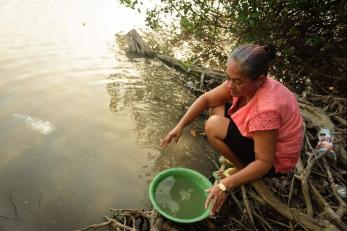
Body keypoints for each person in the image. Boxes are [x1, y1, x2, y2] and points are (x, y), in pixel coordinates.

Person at [160, 43, 303, 215]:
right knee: (216, 104)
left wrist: (225, 185)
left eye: (237, 82)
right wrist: (179, 126)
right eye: (228, 78)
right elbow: (206, 99)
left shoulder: (267, 110)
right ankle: (240, 162)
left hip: (274, 162)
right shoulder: (247, 84)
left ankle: (242, 168)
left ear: (259, 80)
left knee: (212, 125)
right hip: (263, 136)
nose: (230, 86)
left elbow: (264, 163)